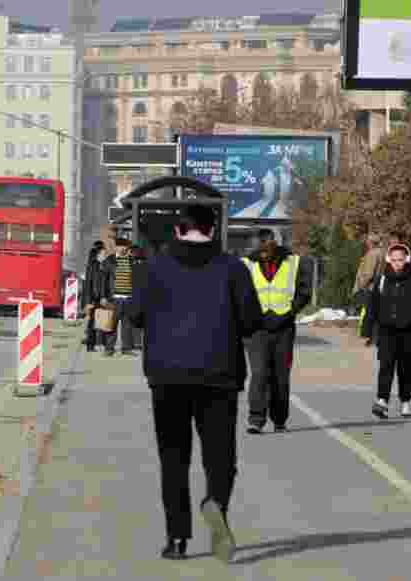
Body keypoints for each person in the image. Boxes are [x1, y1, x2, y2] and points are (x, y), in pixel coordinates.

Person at [127, 206, 262, 563]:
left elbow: (135, 316)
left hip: (167, 377)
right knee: (220, 457)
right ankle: (215, 501)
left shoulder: (155, 267)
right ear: (213, 229)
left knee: (174, 460)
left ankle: (177, 539)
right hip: (220, 377)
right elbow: (250, 323)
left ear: (177, 229)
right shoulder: (233, 268)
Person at [242, 230, 313, 434]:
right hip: (257, 329)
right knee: (259, 374)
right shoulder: (246, 264)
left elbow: (304, 292)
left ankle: (279, 418)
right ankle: (256, 419)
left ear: (274, 244)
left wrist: (290, 312)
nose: (263, 252)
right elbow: (239, 294)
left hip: (284, 327)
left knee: (280, 376)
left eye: (267, 247)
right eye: (259, 248)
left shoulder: (294, 262)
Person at [361, 243, 411, 419]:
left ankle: (405, 402)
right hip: (387, 331)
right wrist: (368, 329)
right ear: (389, 260)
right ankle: (382, 400)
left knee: (406, 368)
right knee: (386, 366)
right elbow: (373, 305)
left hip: (409, 332)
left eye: (401, 260)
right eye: (394, 260)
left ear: (407, 259)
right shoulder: (382, 279)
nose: (397, 263)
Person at [101, 238, 137, 356]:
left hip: (128, 298)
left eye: (124, 246)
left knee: (127, 324)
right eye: (119, 246)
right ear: (116, 247)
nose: (122, 249)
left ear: (127, 248)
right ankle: (109, 348)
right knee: (112, 323)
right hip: (114, 298)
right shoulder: (109, 260)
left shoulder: (132, 261)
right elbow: (103, 280)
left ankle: (126, 348)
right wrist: (103, 296)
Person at [81, 241, 106, 351]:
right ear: (98, 254)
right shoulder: (94, 266)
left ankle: (94, 344)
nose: (104, 256)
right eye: (103, 254)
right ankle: (90, 345)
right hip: (94, 298)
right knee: (92, 323)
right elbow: (90, 284)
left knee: (96, 322)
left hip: (96, 298)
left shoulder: (98, 265)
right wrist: (89, 302)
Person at [353, 233, 385, 315]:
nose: (366, 242)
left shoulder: (373, 254)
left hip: (368, 289)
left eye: (367, 240)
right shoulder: (382, 253)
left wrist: (361, 286)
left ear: (370, 242)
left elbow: (369, 274)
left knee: (366, 315)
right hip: (377, 288)